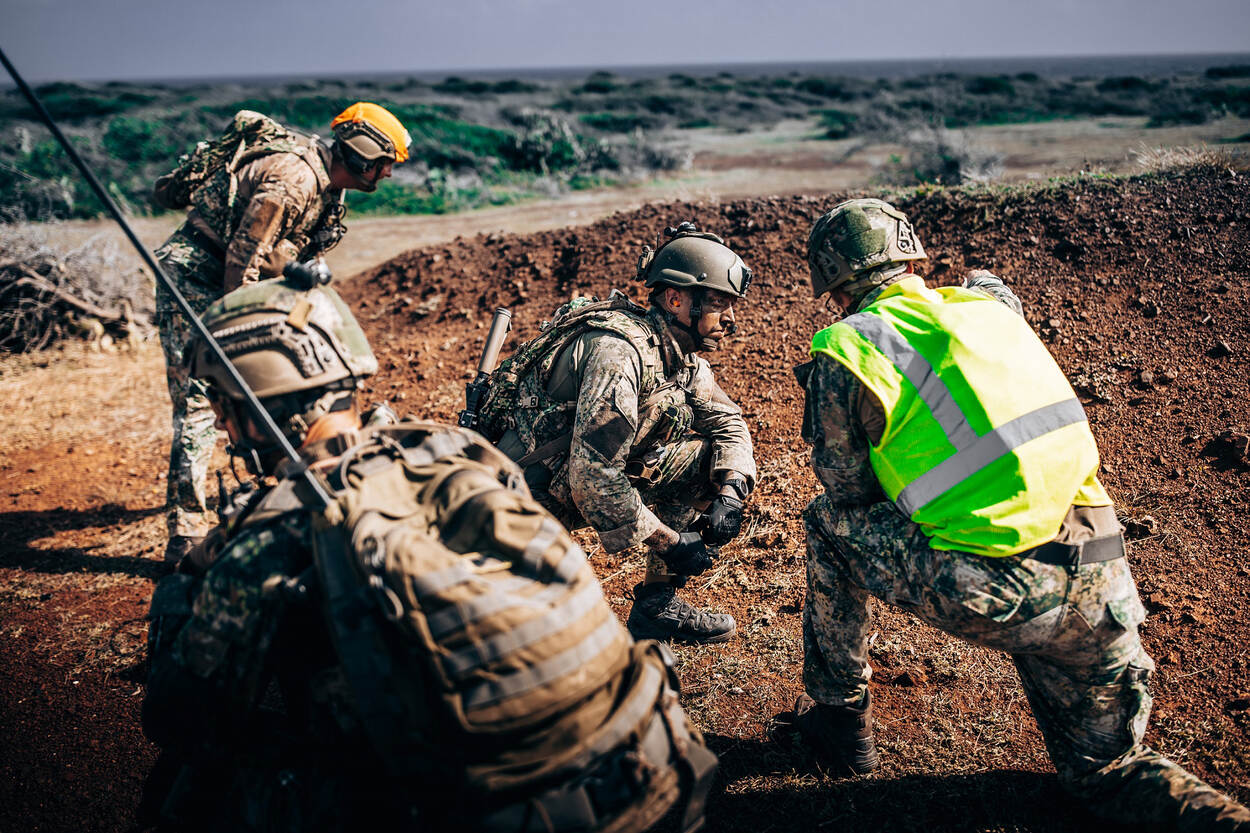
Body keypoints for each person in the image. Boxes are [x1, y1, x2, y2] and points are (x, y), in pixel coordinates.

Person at [140, 276, 716, 833]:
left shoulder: (275, 538)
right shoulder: (458, 451)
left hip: (480, 810)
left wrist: (186, 580)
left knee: (195, 784)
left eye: (224, 403)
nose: (219, 421)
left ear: (260, 400)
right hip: (636, 771)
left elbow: (178, 715)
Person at [779, 197, 1250, 830]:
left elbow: (846, 488)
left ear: (834, 285)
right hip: (1100, 583)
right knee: (1108, 772)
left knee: (828, 527)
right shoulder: (988, 310)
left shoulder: (847, 345)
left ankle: (840, 720)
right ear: (914, 256)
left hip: (1000, 591)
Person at [151, 101, 412, 563]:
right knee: (197, 399)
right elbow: (242, 265)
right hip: (194, 274)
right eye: (387, 162)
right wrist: (248, 345)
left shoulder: (331, 191)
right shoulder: (293, 181)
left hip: (233, 274)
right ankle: (186, 533)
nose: (389, 174)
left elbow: (278, 260)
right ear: (364, 153)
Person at [485, 223, 757, 644]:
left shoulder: (679, 358)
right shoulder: (619, 353)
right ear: (675, 299)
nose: (732, 321)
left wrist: (731, 491)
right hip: (524, 500)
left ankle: (656, 608)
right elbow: (594, 481)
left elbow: (729, 423)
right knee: (526, 641)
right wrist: (671, 543)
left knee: (707, 461)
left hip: (574, 484)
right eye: (721, 304)